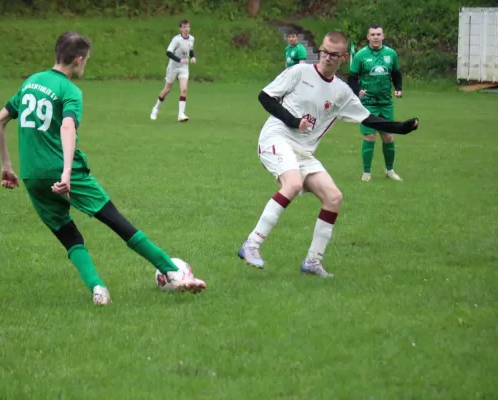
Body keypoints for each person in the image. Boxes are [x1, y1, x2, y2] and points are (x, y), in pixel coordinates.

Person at [0, 31, 206, 305]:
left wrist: (5, 167)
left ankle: (98, 289)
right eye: (86, 60)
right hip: (65, 173)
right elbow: (67, 126)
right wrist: (67, 173)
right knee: (115, 221)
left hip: (32, 176)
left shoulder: (31, 82)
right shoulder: (69, 91)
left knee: (68, 234)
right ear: (78, 60)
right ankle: (174, 273)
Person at [237, 31, 419, 277]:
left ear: (344, 57)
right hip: (276, 137)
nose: (327, 58)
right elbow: (265, 97)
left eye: (334, 55)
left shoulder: (342, 92)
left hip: (303, 152)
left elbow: (368, 118)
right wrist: (293, 120)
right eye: (324, 52)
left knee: (334, 198)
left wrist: (400, 128)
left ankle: (312, 262)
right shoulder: (300, 73)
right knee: (292, 184)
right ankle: (252, 244)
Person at [348, 24, 403, 182]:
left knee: (388, 137)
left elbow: (396, 73)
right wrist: (357, 91)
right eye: (373, 34)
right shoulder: (361, 55)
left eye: (378, 34)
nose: (376, 37)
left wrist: (398, 88)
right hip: (367, 103)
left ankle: (390, 170)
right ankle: (366, 173)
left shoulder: (391, 54)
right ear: (368, 37)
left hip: (386, 103)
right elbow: (352, 77)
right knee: (369, 137)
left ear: (383, 36)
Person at [150, 19, 196, 122]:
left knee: (184, 89)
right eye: (184, 27)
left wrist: (192, 57)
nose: (186, 29)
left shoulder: (191, 39)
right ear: (180, 29)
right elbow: (168, 53)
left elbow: (191, 50)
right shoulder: (176, 39)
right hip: (173, 67)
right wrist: (179, 60)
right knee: (167, 89)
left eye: (188, 27)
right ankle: (155, 109)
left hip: (184, 68)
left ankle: (180, 114)